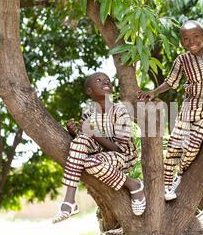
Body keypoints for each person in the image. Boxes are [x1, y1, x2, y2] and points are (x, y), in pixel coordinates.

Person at [138, 20, 203, 201]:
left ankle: (180, 174)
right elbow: (171, 82)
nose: (191, 41)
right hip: (189, 106)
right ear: (181, 42)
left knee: (193, 147)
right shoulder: (182, 60)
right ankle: (166, 186)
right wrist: (153, 92)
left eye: (196, 37)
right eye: (186, 39)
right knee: (174, 146)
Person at [53, 72, 145, 223]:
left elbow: (119, 148)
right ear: (89, 91)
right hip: (100, 156)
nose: (105, 82)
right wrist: (74, 132)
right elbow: (86, 142)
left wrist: (93, 133)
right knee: (80, 142)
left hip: (122, 157)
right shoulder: (88, 114)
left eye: (108, 80)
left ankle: (133, 184)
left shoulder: (120, 111)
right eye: (99, 80)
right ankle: (69, 201)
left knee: (91, 163)